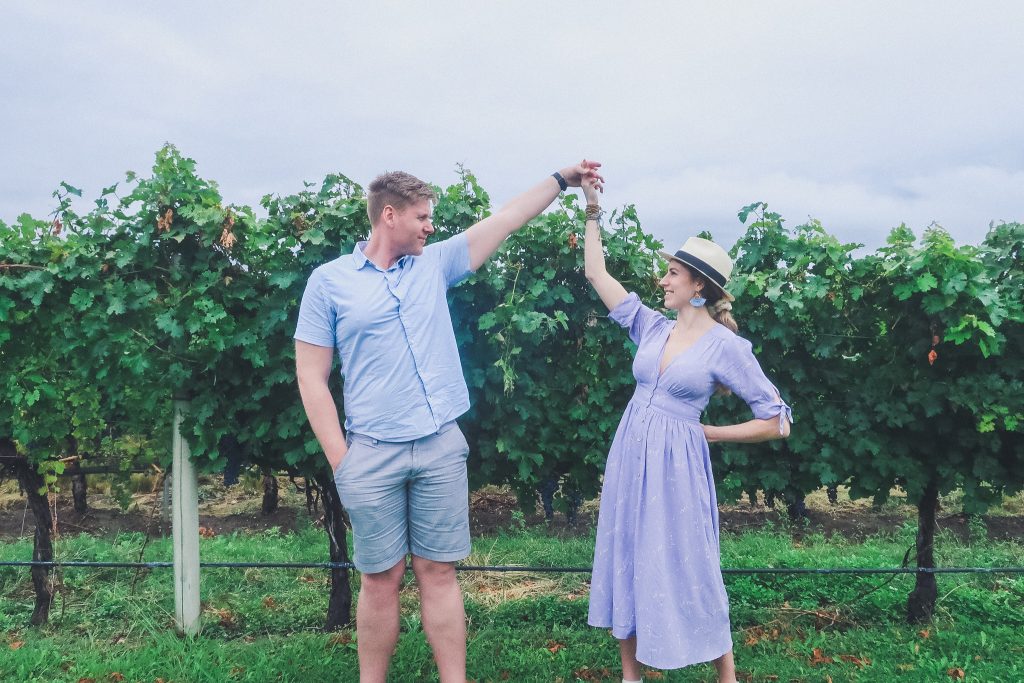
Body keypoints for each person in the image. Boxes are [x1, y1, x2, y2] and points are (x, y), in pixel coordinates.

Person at [293, 161, 602, 683]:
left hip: (438, 446)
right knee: (380, 578)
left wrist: (561, 179)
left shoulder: (434, 265)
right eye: (422, 217)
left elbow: (505, 220)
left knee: (438, 573)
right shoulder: (329, 284)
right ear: (388, 215)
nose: (431, 226)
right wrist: (342, 463)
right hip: (371, 453)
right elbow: (310, 375)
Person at [580, 177, 792, 683]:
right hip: (631, 452)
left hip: (679, 466)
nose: (663, 281)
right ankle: (631, 676)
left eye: (673, 274)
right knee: (629, 550)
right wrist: (591, 210)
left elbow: (777, 419)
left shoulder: (726, 348)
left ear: (699, 285)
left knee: (690, 561)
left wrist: (713, 434)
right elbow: (595, 273)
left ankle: (727, 675)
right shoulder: (651, 325)